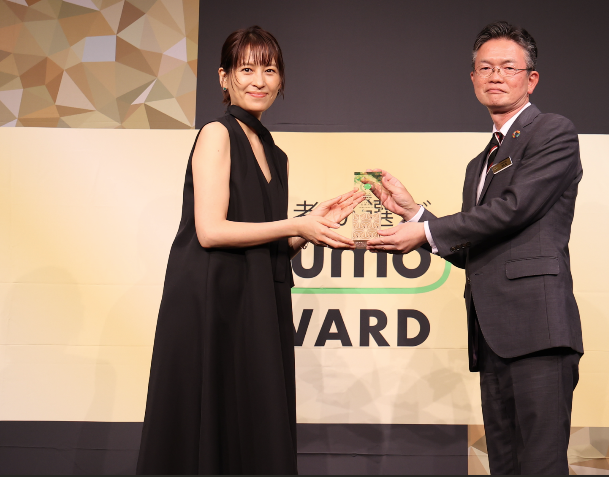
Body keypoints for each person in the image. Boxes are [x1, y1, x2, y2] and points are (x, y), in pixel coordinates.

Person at [136, 26, 363, 475]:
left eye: (270, 70)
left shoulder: (277, 155)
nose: (259, 81)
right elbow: (210, 231)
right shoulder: (216, 134)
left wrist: (310, 228)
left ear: (281, 80)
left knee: (254, 414)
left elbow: (266, 243)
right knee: (210, 417)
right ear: (224, 77)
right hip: (212, 300)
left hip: (256, 297)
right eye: (246, 69)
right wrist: (296, 223)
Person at [366, 21, 583, 475]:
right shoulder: (479, 163)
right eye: (485, 67)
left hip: (538, 332)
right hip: (492, 335)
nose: (495, 76)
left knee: (541, 465)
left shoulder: (552, 131)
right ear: (472, 78)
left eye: (508, 67)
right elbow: (472, 249)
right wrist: (414, 215)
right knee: (504, 465)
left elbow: (515, 209)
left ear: (531, 79)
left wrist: (424, 233)